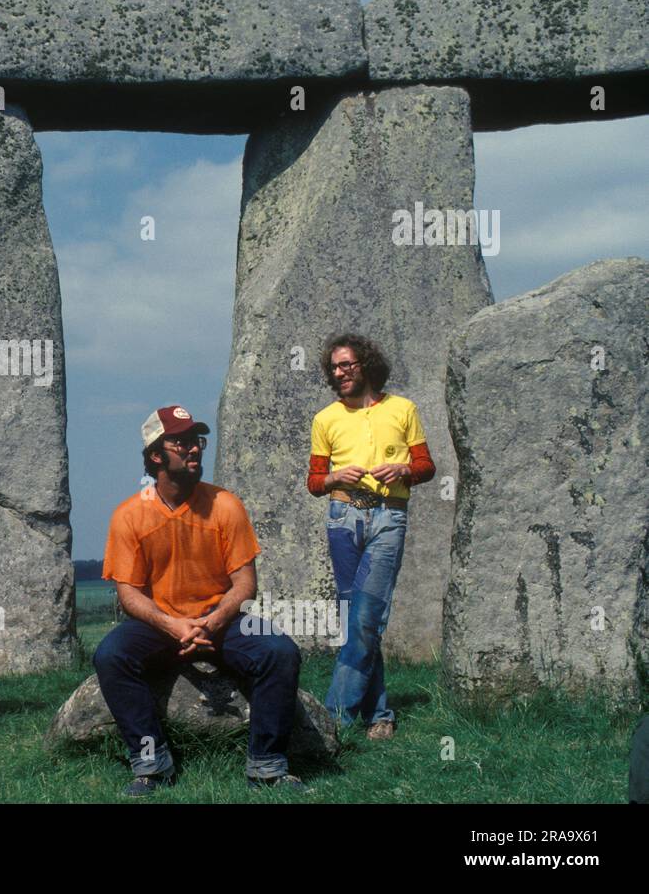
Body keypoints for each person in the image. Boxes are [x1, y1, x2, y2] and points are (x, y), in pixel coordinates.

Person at [94, 405, 306, 796]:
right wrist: (173, 625)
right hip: (159, 623)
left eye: (197, 440)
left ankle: (268, 766)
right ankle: (152, 766)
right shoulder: (129, 515)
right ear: (156, 455)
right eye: (182, 441)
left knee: (279, 651)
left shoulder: (226, 505)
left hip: (222, 620)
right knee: (110, 655)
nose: (194, 449)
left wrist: (213, 621)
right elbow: (129, 594)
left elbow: (245, 585)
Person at [306, 334, 436, 740]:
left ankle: (334, 720)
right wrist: (332, 478)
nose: (340, 372)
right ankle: (379, 715)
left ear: (365, 364)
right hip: (343, 516)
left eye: (347, 365)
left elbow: (427, 466)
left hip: (388, 517)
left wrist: (403, 472)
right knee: (355, 620)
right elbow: (313, 482)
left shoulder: (402, 409)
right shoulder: (325, 418)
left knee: (367, 616)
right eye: (334, 367)